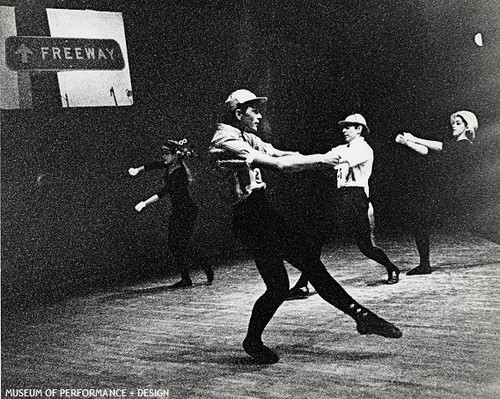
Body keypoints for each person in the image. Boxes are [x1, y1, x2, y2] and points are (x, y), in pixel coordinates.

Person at [209, 89, 402, 364]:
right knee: (283, 283)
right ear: (239, 113)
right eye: (255, 110)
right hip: (250, 217)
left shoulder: (245, 136)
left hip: (261, 212)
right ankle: (254, 340)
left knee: (302, 271)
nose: (261, 115)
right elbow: (279, 165)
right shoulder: (225, 138)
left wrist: (315, 157)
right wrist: (319, 161)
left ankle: (360, 316)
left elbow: (282, 152)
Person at [286, 114, 400, 300]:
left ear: (359, 129)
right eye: (343, 127)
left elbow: (334, 160)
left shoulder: (363, 149)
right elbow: (324, 158)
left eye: (348, 127)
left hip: (356, 197)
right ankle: (303, 285)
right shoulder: (342, 147)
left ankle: (391, 267)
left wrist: (316, 160)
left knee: (365, 246)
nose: (344, 130)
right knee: (317, 238)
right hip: (341, 196)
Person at [395, 110, 479, 275]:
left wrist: (413, 138)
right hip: (446, 194)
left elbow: (438, 146)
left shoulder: (464, 145)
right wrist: (406, 142)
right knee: (420, 221)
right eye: (453, 123)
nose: (453, 126)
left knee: (479, 227)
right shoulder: (455, 144)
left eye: (458, 123)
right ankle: (424, 265)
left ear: (467, 126)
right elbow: (425, 151)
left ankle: (425, 265)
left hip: (457, 195)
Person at [129, 139, 214, 288]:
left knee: (180, 244)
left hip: (187, 211)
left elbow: (164, 192)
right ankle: (189, 276)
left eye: (167, 154)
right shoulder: (169, 166)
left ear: (175, 155)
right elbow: (153, 165)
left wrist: (144, 203)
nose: (164, 157)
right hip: (179, 211)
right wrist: (138, 169)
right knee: (176, 245)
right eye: (163, 154)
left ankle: (201, 266)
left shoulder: (179, 172)